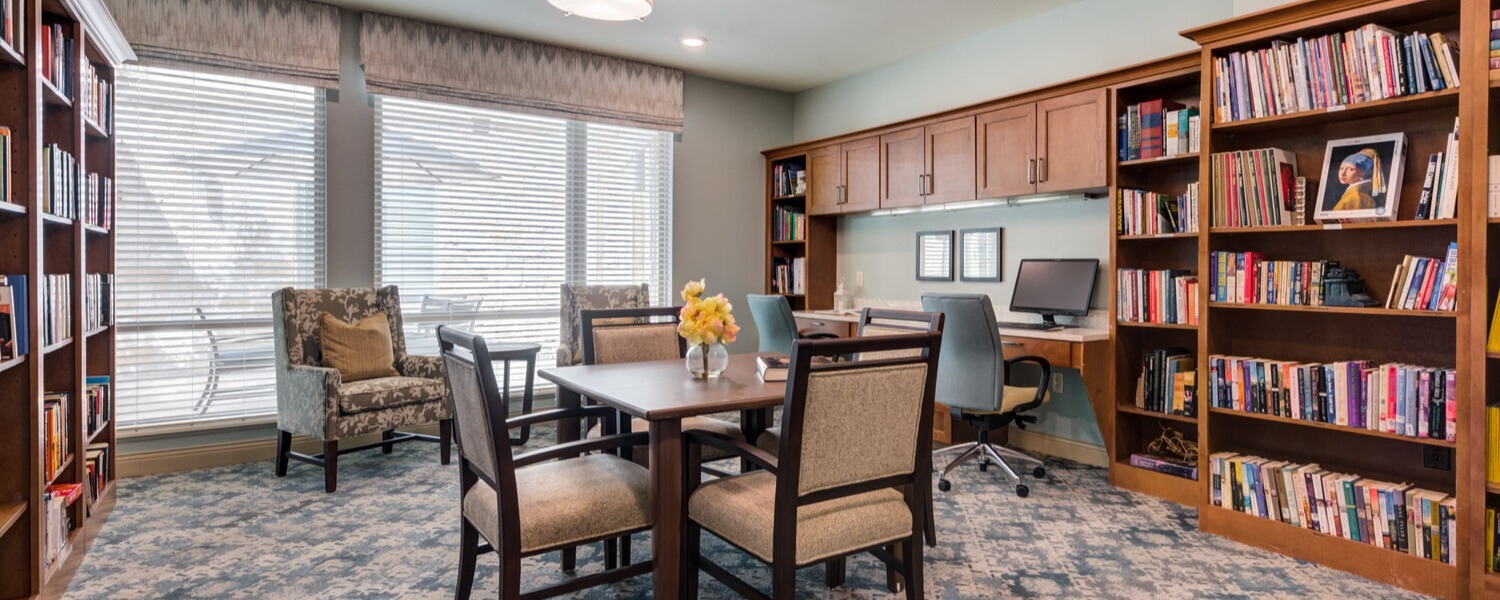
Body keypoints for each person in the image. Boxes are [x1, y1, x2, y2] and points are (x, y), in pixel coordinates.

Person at [1330, 148, 1383, 212]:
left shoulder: (1358, 197)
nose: (1343, 173)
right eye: (1341, 168)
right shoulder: (1352, 194)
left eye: (1351, 169)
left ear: (1364, 172)